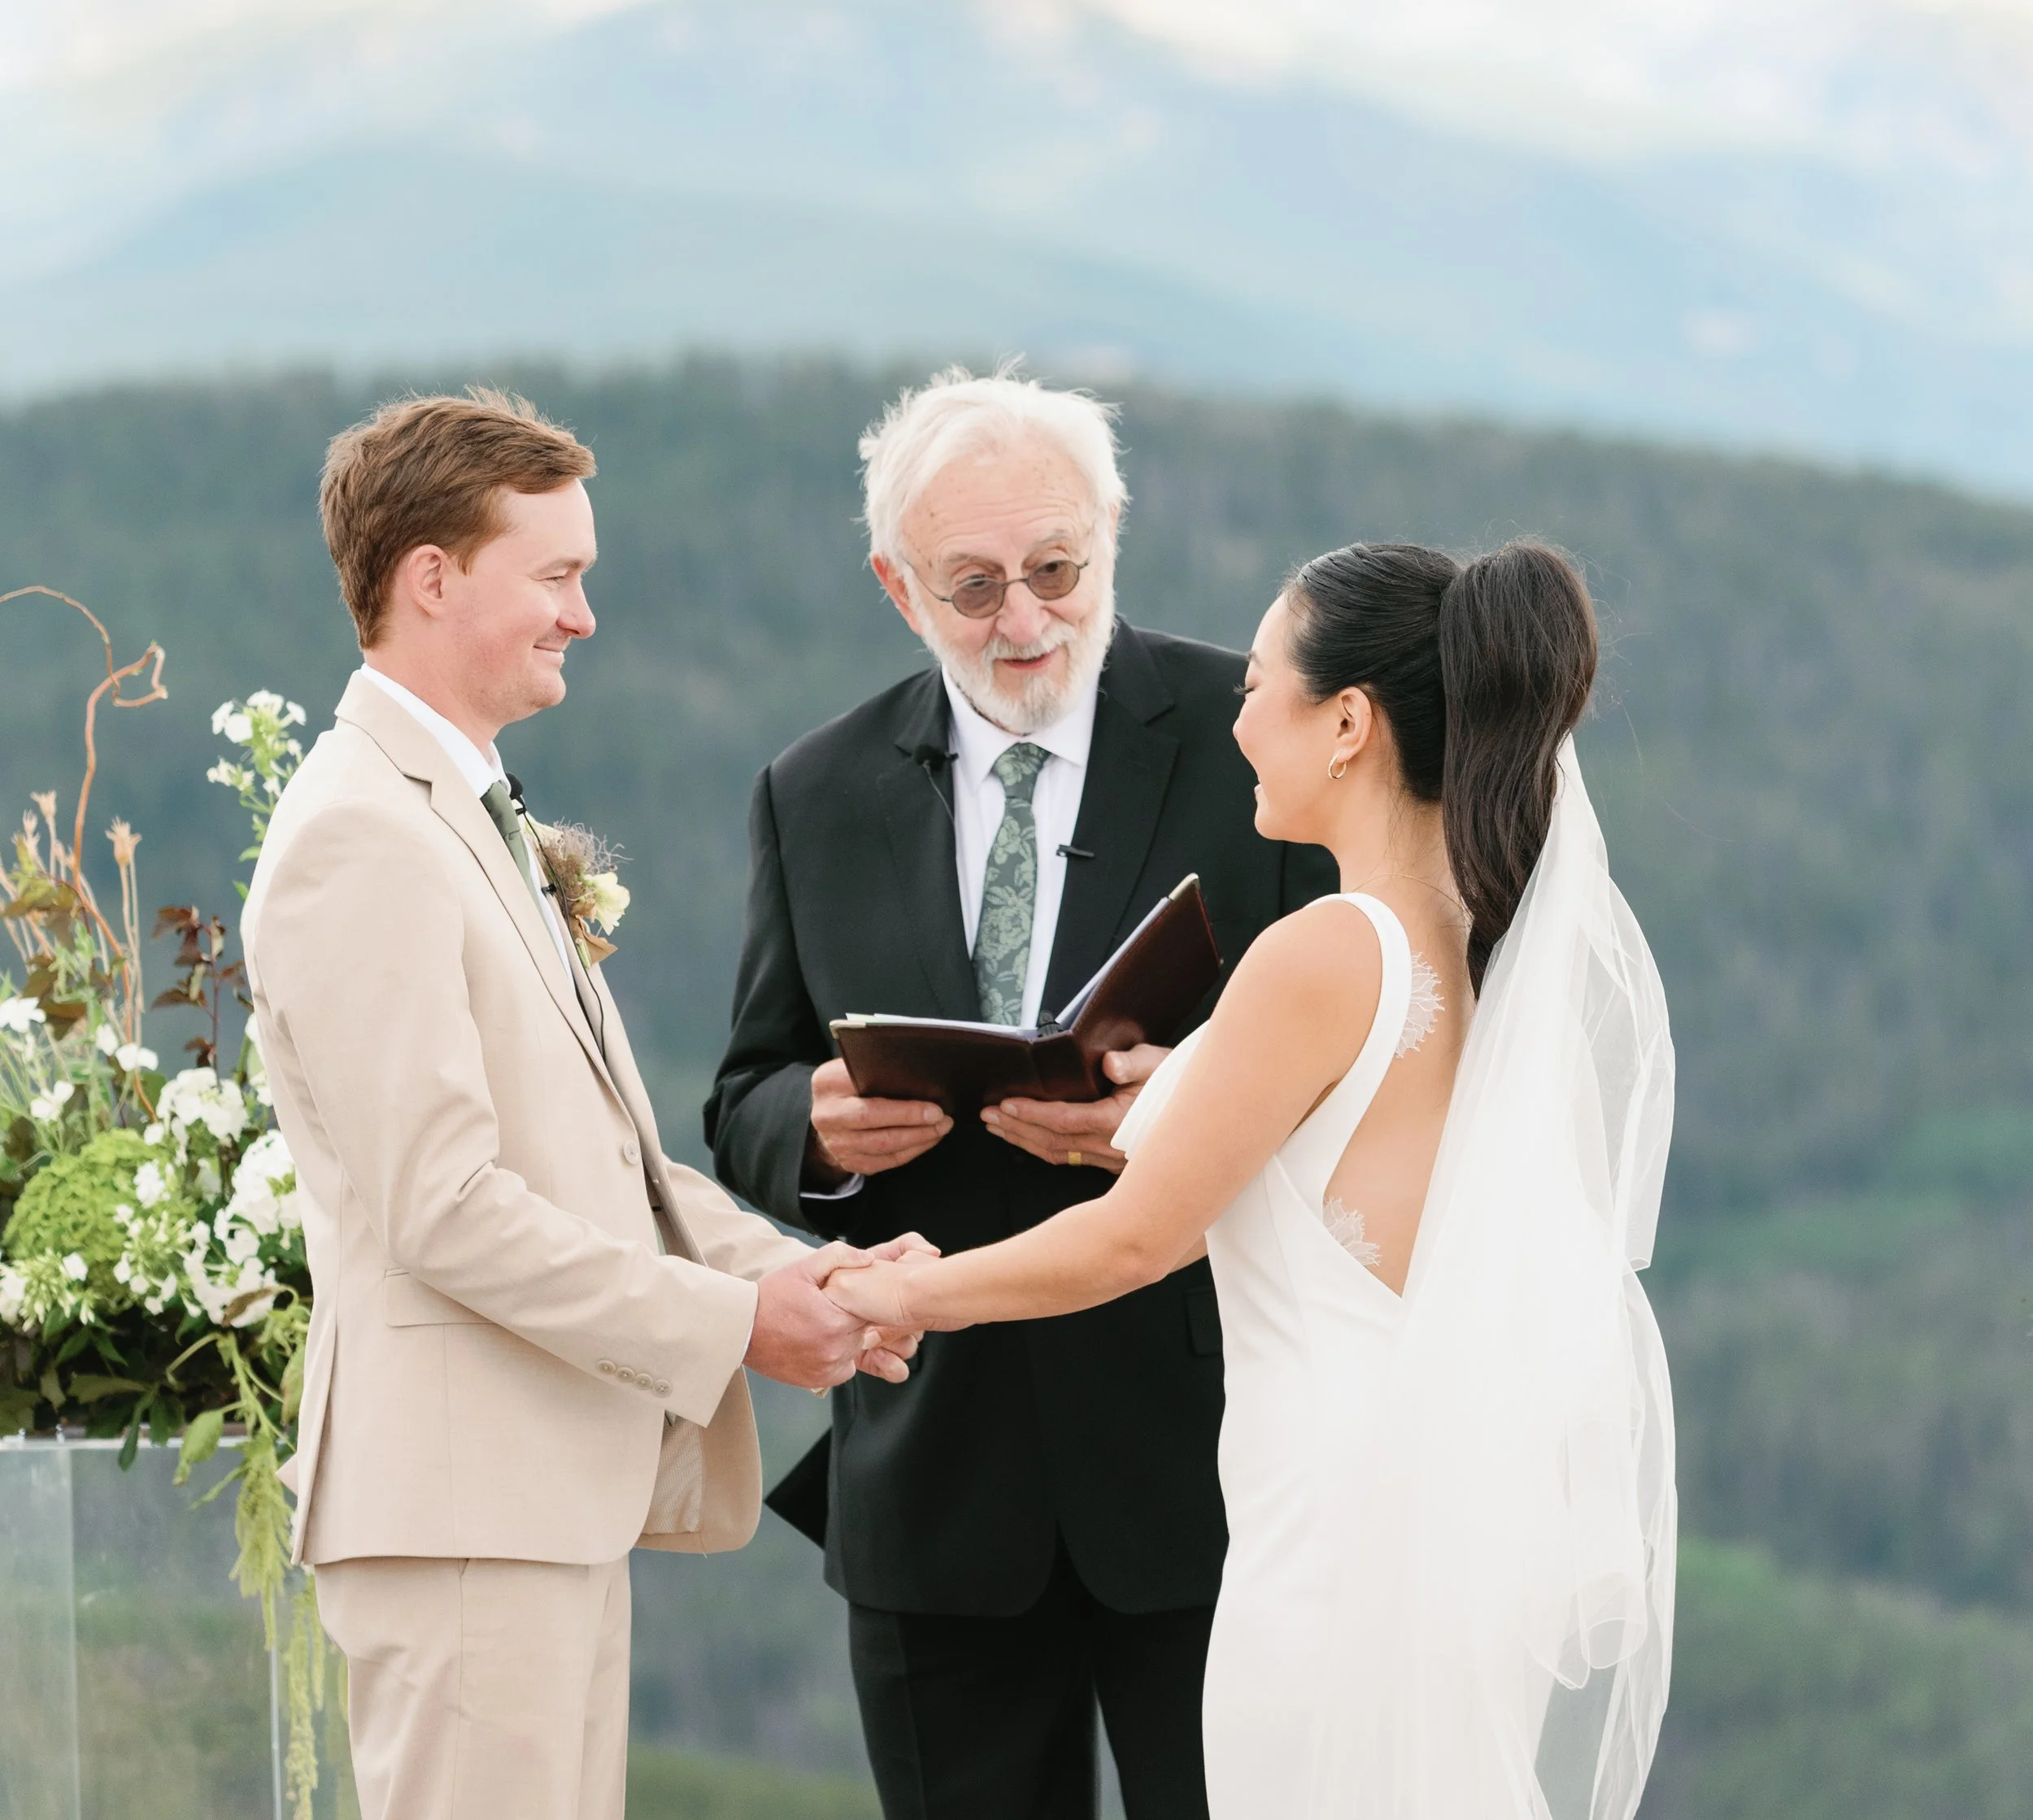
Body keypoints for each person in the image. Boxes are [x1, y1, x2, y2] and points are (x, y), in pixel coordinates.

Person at [824, 538, 1678, 1820]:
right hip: (1421, 1496)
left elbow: (1134, 1243)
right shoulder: (1472, 935)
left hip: (1331, 1517)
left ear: (1347, 722)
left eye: (1260, 683)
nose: (1235, 716)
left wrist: (908, 1294)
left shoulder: (1325, 950)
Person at [242, 390, 925, 1820]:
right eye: (556, 574)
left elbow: (605, 1163)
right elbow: (447, 1211)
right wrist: (739, 1327)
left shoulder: (452, 807)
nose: (586, 614)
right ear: (431, 577)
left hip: (529, 1508)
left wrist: (797, 1272)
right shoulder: (361, 834)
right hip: (461, 1518)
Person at [704, 369, 1335, 1820]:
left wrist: (1190, 1106)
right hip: (935, 1474)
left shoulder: (1262, 743)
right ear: (895, 583)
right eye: (973, 585)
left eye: (1058, 570)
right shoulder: (814, 790)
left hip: (1216, 1462)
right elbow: (741, 1087)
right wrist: (815, 1127)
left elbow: (1377, 1056)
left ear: (1112, 535)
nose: (1027, 621)